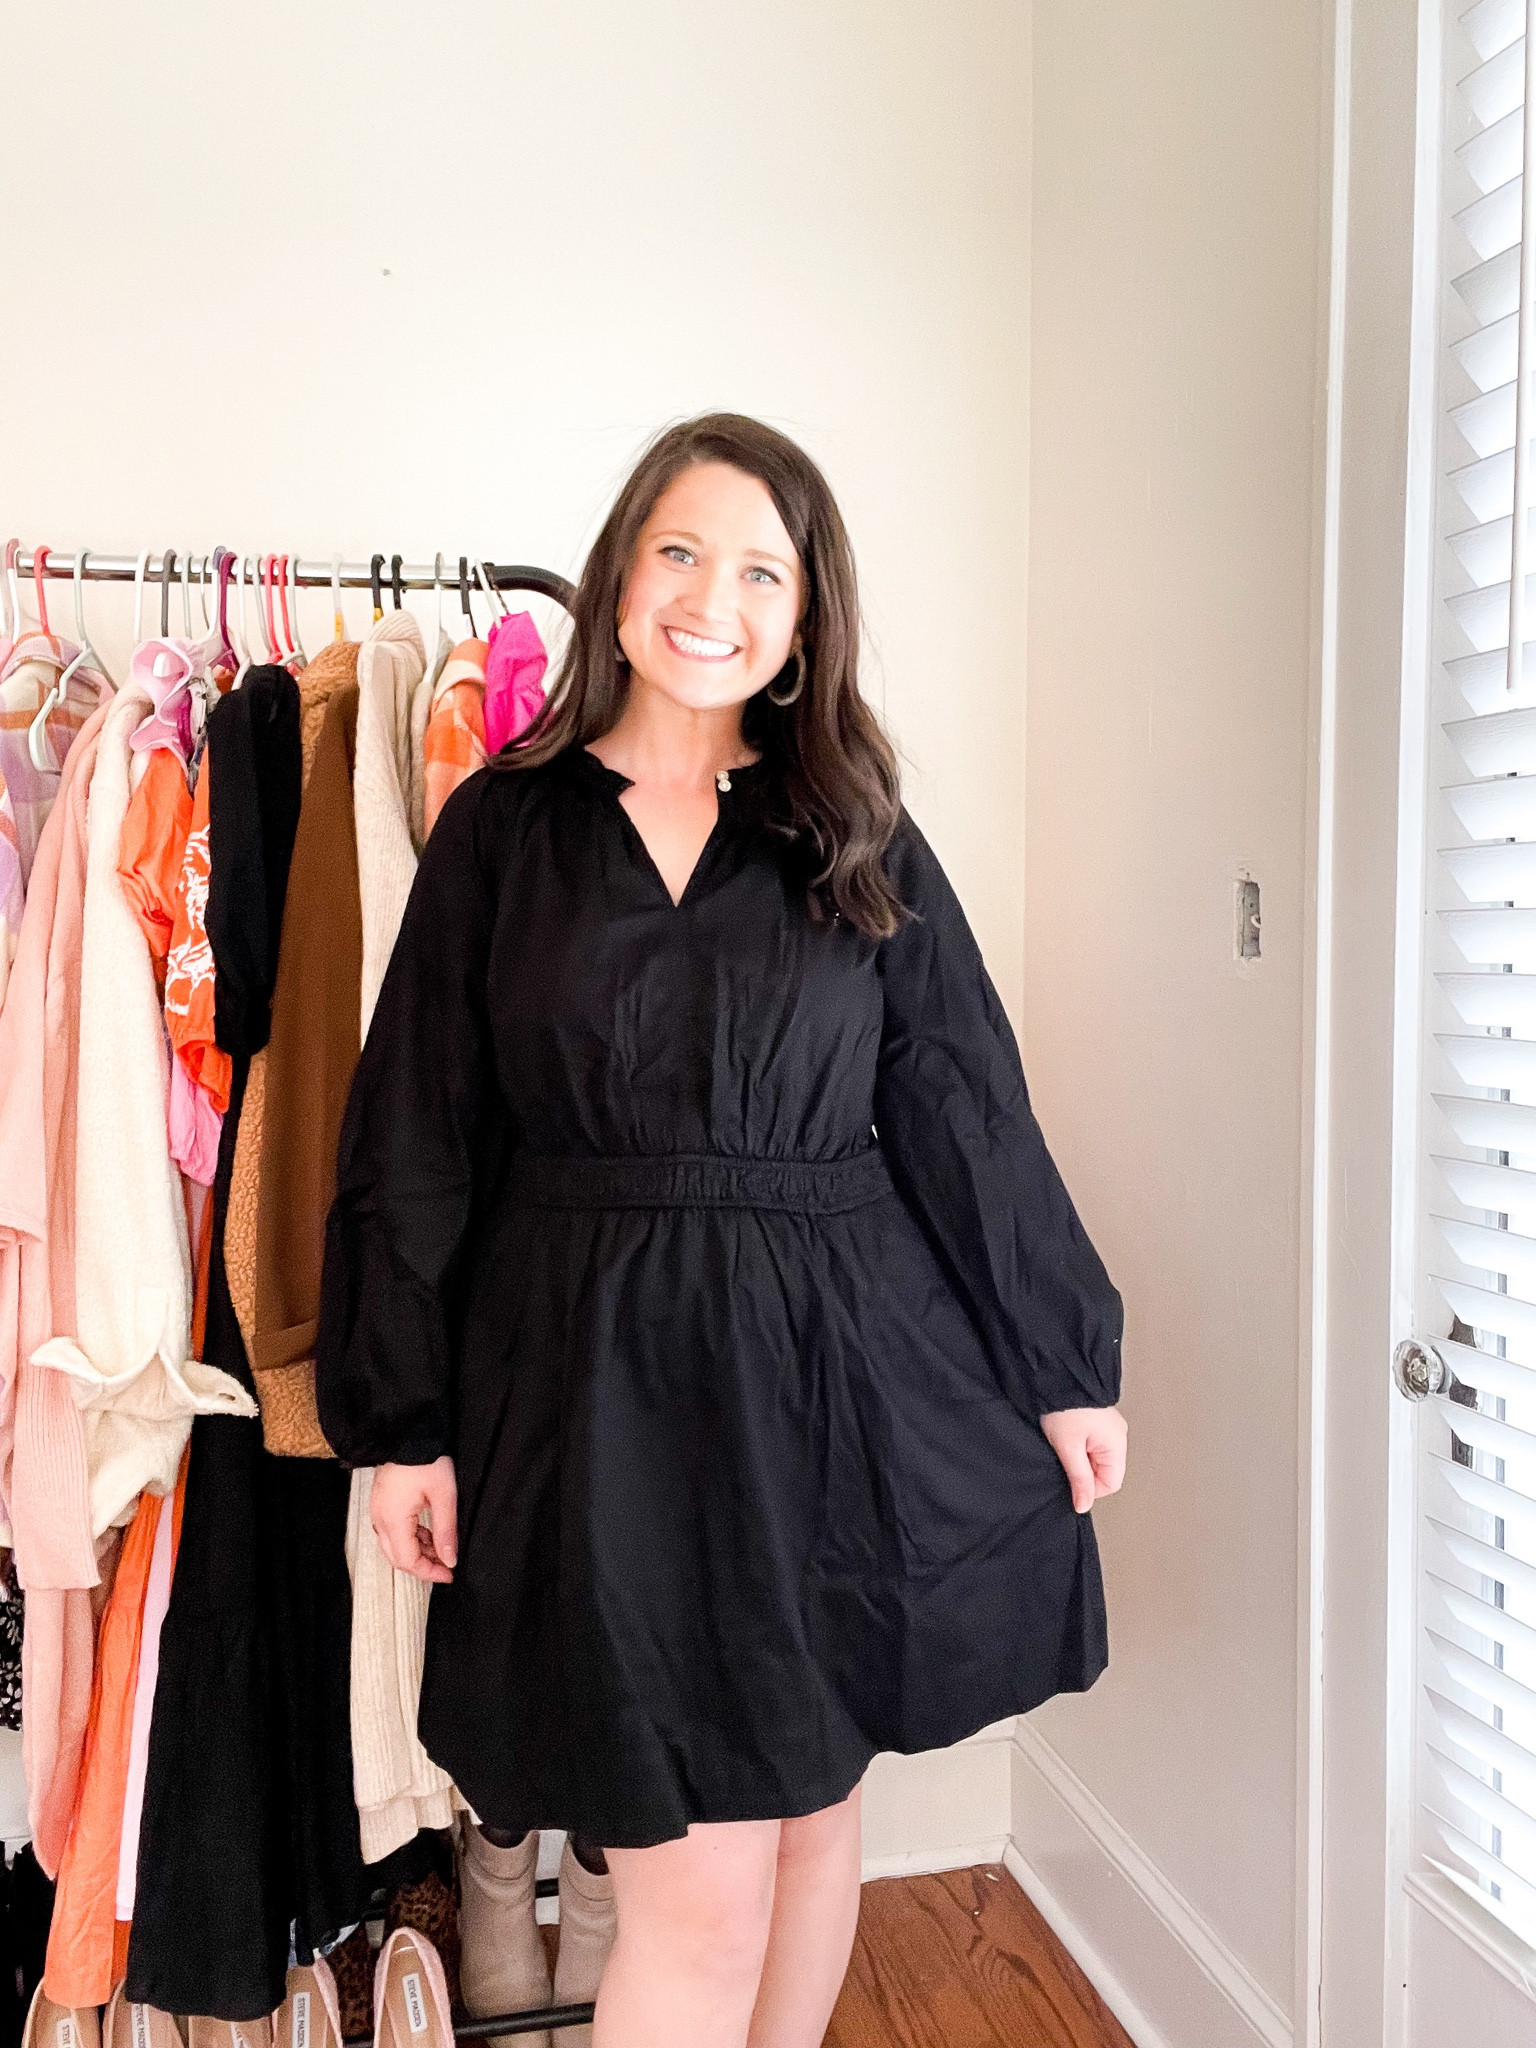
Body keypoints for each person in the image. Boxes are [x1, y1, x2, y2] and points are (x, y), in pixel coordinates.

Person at [314, 413, 1129, 2048]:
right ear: (620, 573)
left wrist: (1064, 1364)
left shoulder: (851, 825)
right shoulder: (502, 833)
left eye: (764, 569)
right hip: (596, 1394)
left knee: (814, 1818)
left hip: (831, 1385)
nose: (713, 598)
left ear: (805, 618)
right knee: (695, 1892)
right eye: (681, 551)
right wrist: (400, 1424)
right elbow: (412, 1134)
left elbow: (963, 1105)